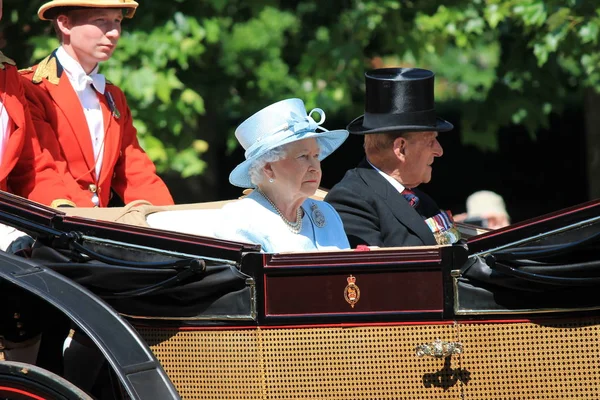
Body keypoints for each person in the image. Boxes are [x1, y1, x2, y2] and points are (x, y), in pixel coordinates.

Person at [20, 0, 174, 208]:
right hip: (51, 222)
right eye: (100, 20)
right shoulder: (31, 88)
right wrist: (88, 222)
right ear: (65, 24)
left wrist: (168, 217)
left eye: (117, 21)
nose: (113, 33)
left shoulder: (113, 95)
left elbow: (134, 170)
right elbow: (43, 169)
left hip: (94, 226)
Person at [325, 67, 460, 248]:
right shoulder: (351, 200)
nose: (439, 150)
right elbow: (377, 273)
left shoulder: (421, 200)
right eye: (431, 141)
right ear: (401, 148)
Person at [212, 98, 350, 252]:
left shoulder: (327, 213)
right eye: (303, 156)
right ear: (268, 168)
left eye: (316, 156)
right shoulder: (240, 220)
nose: (315, 167)